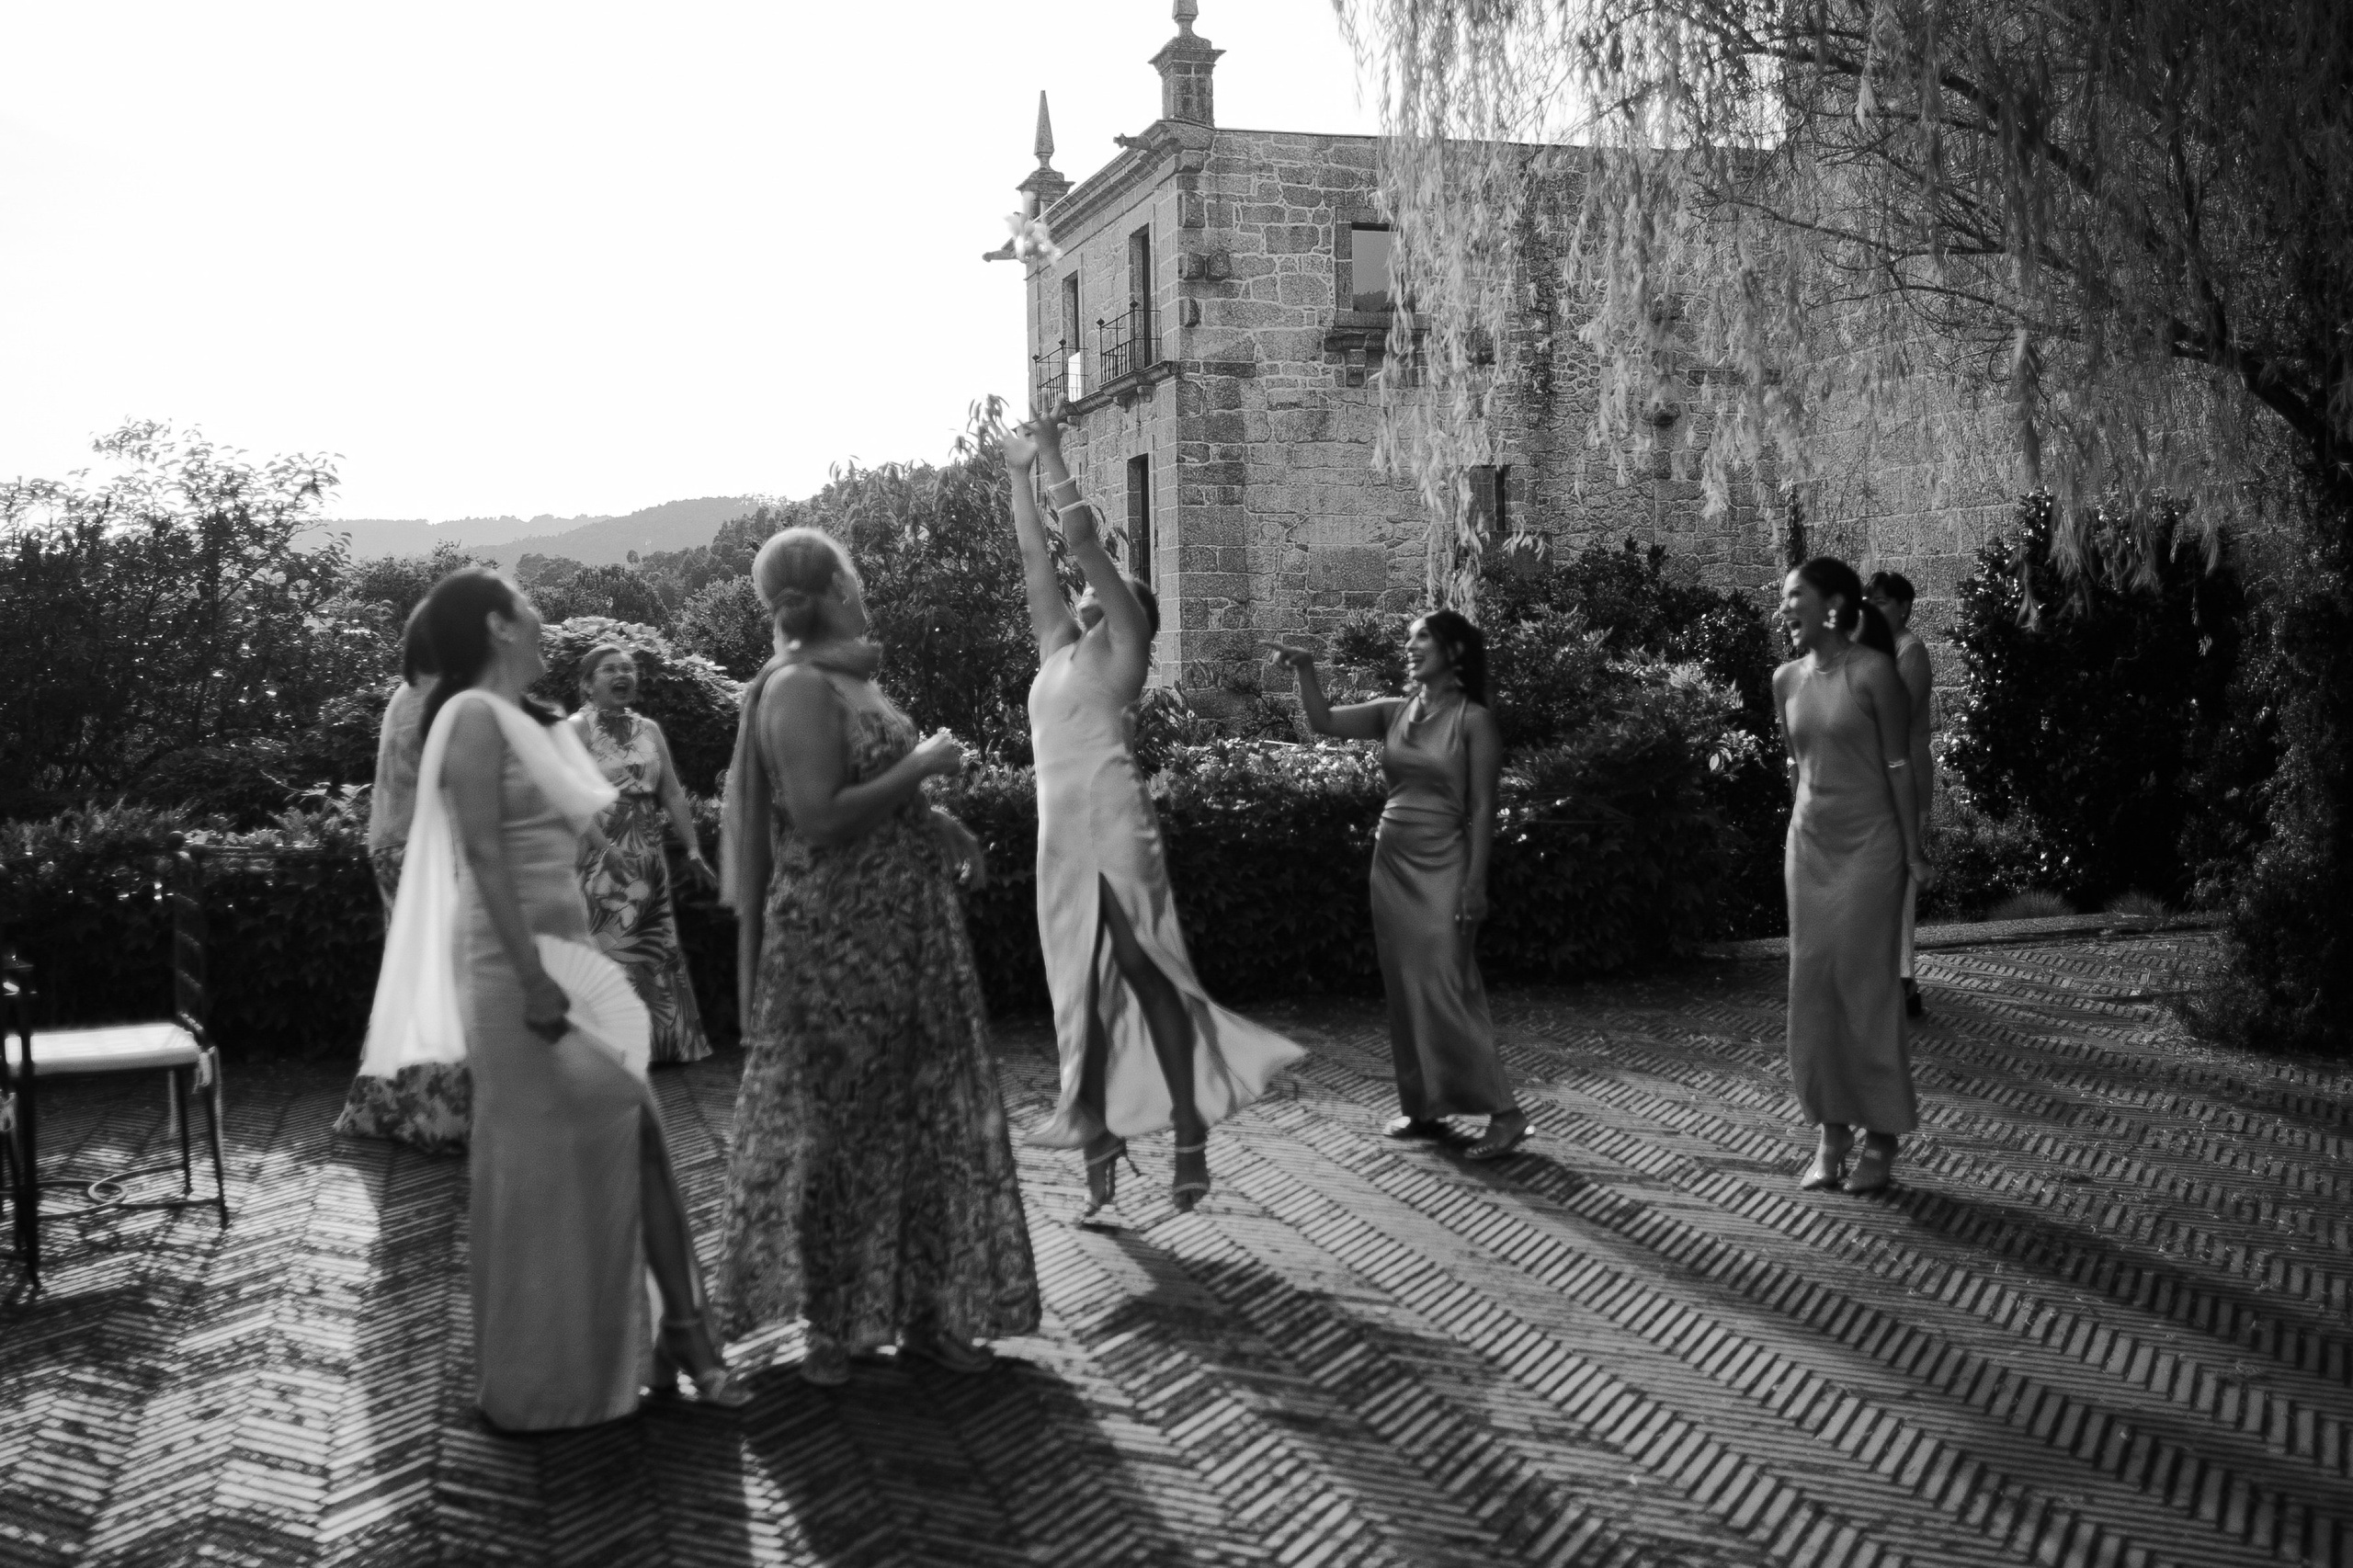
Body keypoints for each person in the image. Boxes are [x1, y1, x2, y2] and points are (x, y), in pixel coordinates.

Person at [359, 567, 748, 1429]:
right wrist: (534, 979)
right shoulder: (467, 714)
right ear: (498, 625)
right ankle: (578, 1368)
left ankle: (669, 1340)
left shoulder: (528, 720)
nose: (543, 621)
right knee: (557, 1158)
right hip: (512, 967)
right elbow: (482, 855)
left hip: (570, 951)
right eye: (528, 610)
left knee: (632, 1140)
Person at [714, 527, 1038, 1387]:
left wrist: (936, 820)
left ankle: (925, 1314)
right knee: (842, 1125)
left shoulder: (853, 678)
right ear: (834, 590)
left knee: (921, 1120)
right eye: (853, 578)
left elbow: (871, 791)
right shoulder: (797, 687)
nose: (863, 590)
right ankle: (834, 1325)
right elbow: (819, 816)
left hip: (904, 930)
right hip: (836, 938)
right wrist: (923, 764)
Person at [1004, 409, 1307, 1216]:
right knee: (1077, 990)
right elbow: (1036, 557)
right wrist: (1015, 475)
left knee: (1144, 973)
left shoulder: (1124, 645)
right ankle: (1100, 1144)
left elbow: (1080, 545)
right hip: (1058, 836)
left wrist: (1055, 455)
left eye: (1101, 590)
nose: (1085, 591)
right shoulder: (1058, 649)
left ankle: (1188, 1132)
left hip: (1110, 820)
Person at [1267, 614, 1529, 1160]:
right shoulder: (1395, 710)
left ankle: (1506, 1115)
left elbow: (1483, 807)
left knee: (1447, 984)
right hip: (1391, 864)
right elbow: (1323, 722)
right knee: (1405, 987)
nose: (1409, 645)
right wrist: (1306, 670)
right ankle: (1424, 1105)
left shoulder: (1474, 720)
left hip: (1445, 864)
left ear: (1454, 650)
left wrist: (1476, 883)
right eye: (1408, 638)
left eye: (1422, 637)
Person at [1775, 557, 1933, 1195]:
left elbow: (1899, 766)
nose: (1785, 607)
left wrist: (1913, 852)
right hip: (1809, 849)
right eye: (1784, 597)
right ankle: (1831, 1132)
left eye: (1796, 595)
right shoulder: (1785, 679)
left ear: (1834, 604)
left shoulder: (1874, 673)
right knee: (1812, 990)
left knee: (1865, 990)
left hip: (1871, 848)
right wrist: (1799, 830)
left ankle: (1883, 1134)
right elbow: (1797, 767)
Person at [334, 605, 471, 1153]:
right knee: (444, 981)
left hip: (392, 844)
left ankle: (388, 1106)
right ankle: (440, 1117)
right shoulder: (447, 700)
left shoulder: (405, 694)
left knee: (412, 977)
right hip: (428, 850)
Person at [565, 644, 715, 1065]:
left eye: (628, 668)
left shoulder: (648, 729)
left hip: (645, 846)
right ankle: (606, 1049)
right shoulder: (576, 728)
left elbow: (671, 792)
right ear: (587, 684)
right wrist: (604, 847)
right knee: (607, 939)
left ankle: (659, 1044)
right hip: (597, 845)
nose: (622, 675)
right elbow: (569, 796)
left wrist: (692, 847)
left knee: (650, 940)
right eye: (610, 669)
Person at [1864, 571, 1935, 1018]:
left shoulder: (1911, 652)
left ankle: (1904, 980)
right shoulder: (1872, 652)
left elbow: (1893, 716)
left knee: (1899, 884)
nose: (1871, 609)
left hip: (1906, 783)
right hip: (1874, 783)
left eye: (1881, 602)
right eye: (1868, 601)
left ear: (1904, 607)